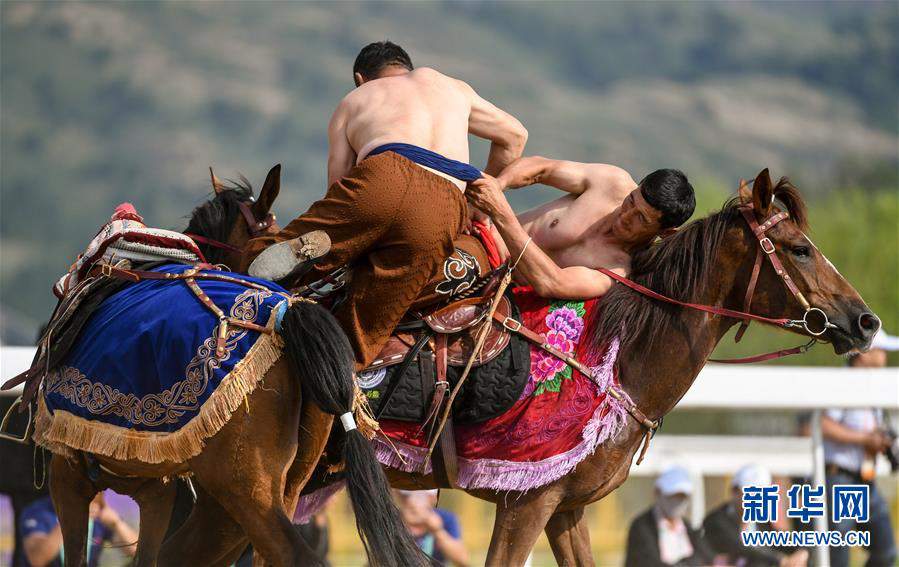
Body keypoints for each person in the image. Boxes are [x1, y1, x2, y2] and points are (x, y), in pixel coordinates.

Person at [246, 40, 527, 368]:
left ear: (361, 78)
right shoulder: (452, 88)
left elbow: (337, 186)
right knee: (369, 321)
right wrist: (475, 202)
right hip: (446, 200)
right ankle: (345, 362)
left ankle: (279, 260)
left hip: (381, 175)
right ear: (405, 68)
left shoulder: (355, 99)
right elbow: (515, 136)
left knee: (280, 256)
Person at [463, 159, 695, 297]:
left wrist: (501, 212)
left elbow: (551, 283)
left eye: (641, 219)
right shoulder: (611, 181)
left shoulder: (618, 271)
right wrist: (497, 186)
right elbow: (541, 168)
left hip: (491, 293)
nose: (626, 215)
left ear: (664, 233)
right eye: (631, 201)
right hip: (478, 234)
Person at [821, 329, 898, 567]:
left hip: (863, 479)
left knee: (885, 552)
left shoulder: (869, 386)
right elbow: (824, 424)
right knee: (838, 557)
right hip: (841, 479)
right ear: (864, 354)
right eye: (881, 352)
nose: (884, 358)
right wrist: (865, 440)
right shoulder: (844, 384)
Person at [703, 464, 809, 567]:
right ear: (734, 491)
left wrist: (802, 551)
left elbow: (780, 540)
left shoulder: (760, 521)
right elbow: (742, 548)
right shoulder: (716, 521)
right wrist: (780, 560)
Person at [625, 465, 714, 567]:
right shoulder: (642, 526)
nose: (677, 503)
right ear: (658, 493)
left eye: (682, 497)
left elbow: (703, 556)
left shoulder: (687, 527)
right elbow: (647, 561)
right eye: (672, 496)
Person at [20, 492, 137, 567]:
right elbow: (37, 559)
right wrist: (70, 520)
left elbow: (137, 552)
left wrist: (117, 523)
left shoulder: (100, 514)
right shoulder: (38, 512)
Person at [397, 489, 469, 567]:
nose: (412, 502)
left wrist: (437, 531)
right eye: (408, 496)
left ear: (433, 498)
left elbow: (462, 560)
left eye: (420, 496)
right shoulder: (392, 518)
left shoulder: (445, 519)